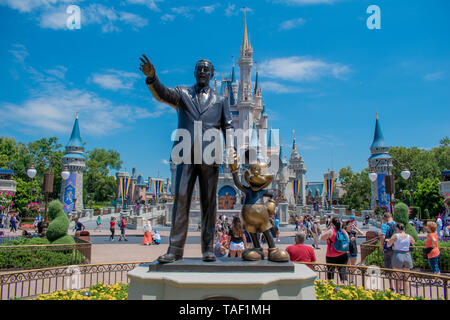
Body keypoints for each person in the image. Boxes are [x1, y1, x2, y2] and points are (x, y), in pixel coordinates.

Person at [140, 55, 234, 264]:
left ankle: (208, 249)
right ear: (194, 73)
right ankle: (175, 250)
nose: (202, 72)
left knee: (209, 204)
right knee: (181, 201)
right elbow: (162, 94)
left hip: (210, 156)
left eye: (206, 69)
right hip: (186, 155)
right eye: (199, 69)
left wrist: (232, 149)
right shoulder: (183, 93)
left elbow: (228, 126)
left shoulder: (221, 100)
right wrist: (153, 78)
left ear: (212, 74)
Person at [387, 223, 415, 294]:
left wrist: (393, 243)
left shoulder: (395, 236)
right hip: (407, 255)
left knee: (397, 277)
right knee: (406, 278)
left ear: (397, 229)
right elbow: (413, 242)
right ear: (404, 229)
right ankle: (406, 294)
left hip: (398, 255)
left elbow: (388, 244)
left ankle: (398, 294)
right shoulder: (408, 236)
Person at [320, 217, 349, 283]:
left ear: (332, 224)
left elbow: (322, 238)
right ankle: (345, 287)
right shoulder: (344, 231)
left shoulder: (331, 232)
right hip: (343, 254)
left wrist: (327, 229)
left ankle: (331, 287)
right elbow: (347, 240)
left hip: (331, 255)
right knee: (343, 271)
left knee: (330, 272)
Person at [345, 220, 364, 284]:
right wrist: (350, 240)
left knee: (353, 267)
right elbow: (343, 241)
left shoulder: (353, 232)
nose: (351, 226)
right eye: (350, 225)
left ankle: (351, 281)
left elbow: (362, 233)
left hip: (353, 250)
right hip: (346, 251)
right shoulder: (344, 233)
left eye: (352, 225)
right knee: (347, 267)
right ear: (346, 226)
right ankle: (346, 280)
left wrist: (355, 228)